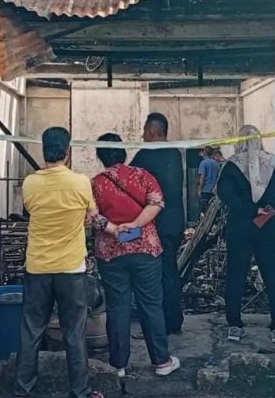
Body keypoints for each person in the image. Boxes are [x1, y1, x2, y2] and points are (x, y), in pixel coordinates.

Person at [14, 127, 114, 398]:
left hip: (37, 267)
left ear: (42, 150)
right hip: (71, 269)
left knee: (31, 330)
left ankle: (22, 396)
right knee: (74, 333)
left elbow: (33, 211)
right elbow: (93, 217)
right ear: (68, 151)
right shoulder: (80, 183)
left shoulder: (30, 184)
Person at [92, 134, 180, 379]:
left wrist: (114, 228)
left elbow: (93, 217)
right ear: (123, 152)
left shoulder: (96, 183)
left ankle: (118, 364)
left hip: (111, 253)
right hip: (146, 249)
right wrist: (136, 225)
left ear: (100, 156)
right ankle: (162, 361)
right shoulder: (142, 175)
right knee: (150, 303)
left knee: (117, 306)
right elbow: (157, 203)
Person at [216, 125, 275, 344]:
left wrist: (249, 209)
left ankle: (234, 325)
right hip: (272, 225)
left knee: (236, 274)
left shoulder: (232, 165)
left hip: (240, 226)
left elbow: (224, 193)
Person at [131, 113, 185, 334]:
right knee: (170, 270)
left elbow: (129, 182)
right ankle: (173, 318)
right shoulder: (174, 153)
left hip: (157, 223)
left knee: (157, 274)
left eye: (144, 131)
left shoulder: (146, 155)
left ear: (152, 132)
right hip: (175, 222)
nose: (142, 136)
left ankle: (164, 321)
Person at [197, 147, 221, 216]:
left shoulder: (203, 163)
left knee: (204, 214)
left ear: (204, 152)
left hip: (205, 191)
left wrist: (199, 190)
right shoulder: (216, 164)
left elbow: (202, 177)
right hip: (215, 192)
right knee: (213, 214)